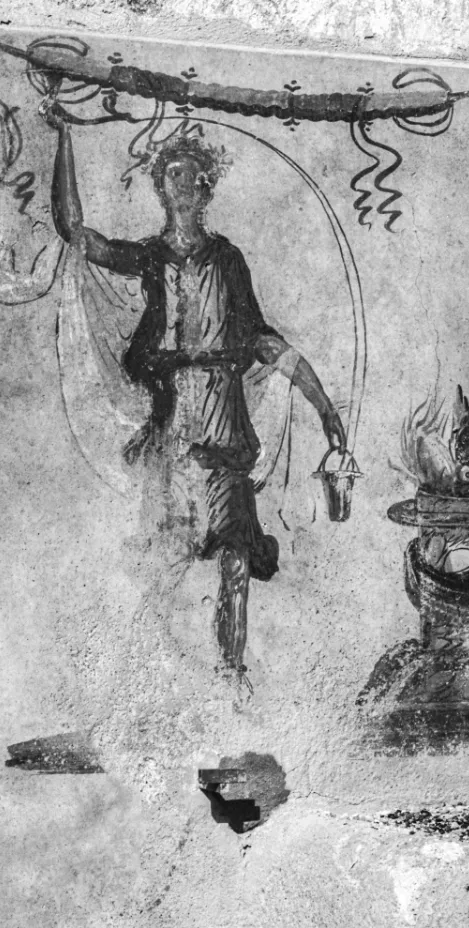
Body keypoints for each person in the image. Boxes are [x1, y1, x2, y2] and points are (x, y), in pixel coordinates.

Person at [46, 112, 346, 677]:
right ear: (161, 187)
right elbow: (77, 234)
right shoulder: (150, 257)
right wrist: (65, 138)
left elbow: (263, 340)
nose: (184, 185)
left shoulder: (228, 260)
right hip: (172, 438)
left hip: (224, 433)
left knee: (235, 564)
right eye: (174, 175)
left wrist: (324, 405)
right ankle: (152, 679)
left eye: (193, 177)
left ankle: (232, 677)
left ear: (207, 189)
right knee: (163, 569)